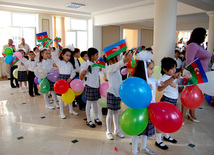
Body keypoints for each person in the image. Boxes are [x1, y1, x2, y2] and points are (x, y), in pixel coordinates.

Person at [131, 51, 181, 155]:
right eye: (150, 69)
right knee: (138, 130)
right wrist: (145, 90)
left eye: (153, 68)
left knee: (145, 131)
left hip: (150, 109)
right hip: (140, 110)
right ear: (143, 68)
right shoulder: (138, 81)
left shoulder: (152, 79)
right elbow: (135, 96)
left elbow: (162, 84)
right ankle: (134, 151)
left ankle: (143, 148)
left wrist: (173, 78)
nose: (153, 71)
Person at [182, 27, 211, 124]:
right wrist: (195, 76)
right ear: (199, 35)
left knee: (196, 95)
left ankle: (191, 113)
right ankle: (183, 116)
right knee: (188, 95)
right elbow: (189, 62)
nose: (205, 36)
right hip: (193, 74)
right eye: (204, 34)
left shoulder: (199, 46)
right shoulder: (192, 45)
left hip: (201, 75)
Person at [104, 47, 132, 140]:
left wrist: (125, 58)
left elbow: (119, 66)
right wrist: (124, 59)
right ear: (112, 58)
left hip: (117, 93)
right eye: (117, 56)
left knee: (116, 112)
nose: (119, 58)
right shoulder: (109, 67)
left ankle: (116, 129)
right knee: (110, 112)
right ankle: (108, 131)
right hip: (111, 93)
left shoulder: (115, 67)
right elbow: (117, 65)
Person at [155, 57, 181, 150]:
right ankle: (158, 140)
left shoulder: (175, 76)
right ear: (165, 69)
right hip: (166, 100)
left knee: (168, 120)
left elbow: (179, 82)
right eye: (172, 68)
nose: (174, 70)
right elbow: (160, 88)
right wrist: (169, 83)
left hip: (173, 100)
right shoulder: (163, 78)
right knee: (161, 120)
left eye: (175, 68)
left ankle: (166, 135)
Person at [51, 47, 78, 118]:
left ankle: (71, 110)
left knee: (69, 95)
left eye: (69, 55)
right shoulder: (60, 63)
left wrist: (70, 78)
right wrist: (54, 50)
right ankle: (61, 112)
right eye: (67, 55)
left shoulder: (70, 64)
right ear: (62, 55)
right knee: (62, 97)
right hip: (61, 80)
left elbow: (73, 73)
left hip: (68, 80)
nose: (68, 57)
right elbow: (54, 57)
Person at [80, 47, 102, 128]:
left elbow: (99, 70)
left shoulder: (96, 63)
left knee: (95, 102)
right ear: (92, 56)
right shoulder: (85, 64)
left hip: (96, 85)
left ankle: (96, 117)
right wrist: (83, 72)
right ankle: (88, 119)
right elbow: (81, 77)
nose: (97, 56)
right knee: (89, 102)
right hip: (89, 85)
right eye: (96, 54)